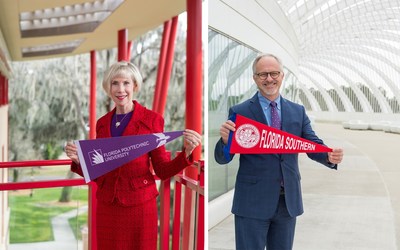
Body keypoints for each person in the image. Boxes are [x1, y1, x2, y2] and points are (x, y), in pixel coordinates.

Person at [64, 61, 202, 250]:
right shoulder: (102, 123)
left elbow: (162, 170)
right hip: (107, 207)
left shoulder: (152, 120)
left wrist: (186, 153)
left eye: (126, 83)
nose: (121, 89)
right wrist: (80, 162)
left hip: (140, 207)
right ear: (108, 87)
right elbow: (99, 173)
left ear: (135, 86)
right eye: (115, 83)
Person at [214, 53, 343, 250]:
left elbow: (310, 143)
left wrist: (328, 155)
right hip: (252, 203)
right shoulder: (241, 111)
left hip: (287, 203)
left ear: (282, 76)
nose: (269, 79)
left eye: (274, 73)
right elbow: (223, 158)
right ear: (255, 78)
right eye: (263, 74)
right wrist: (225, 141)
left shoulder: (297, 111)